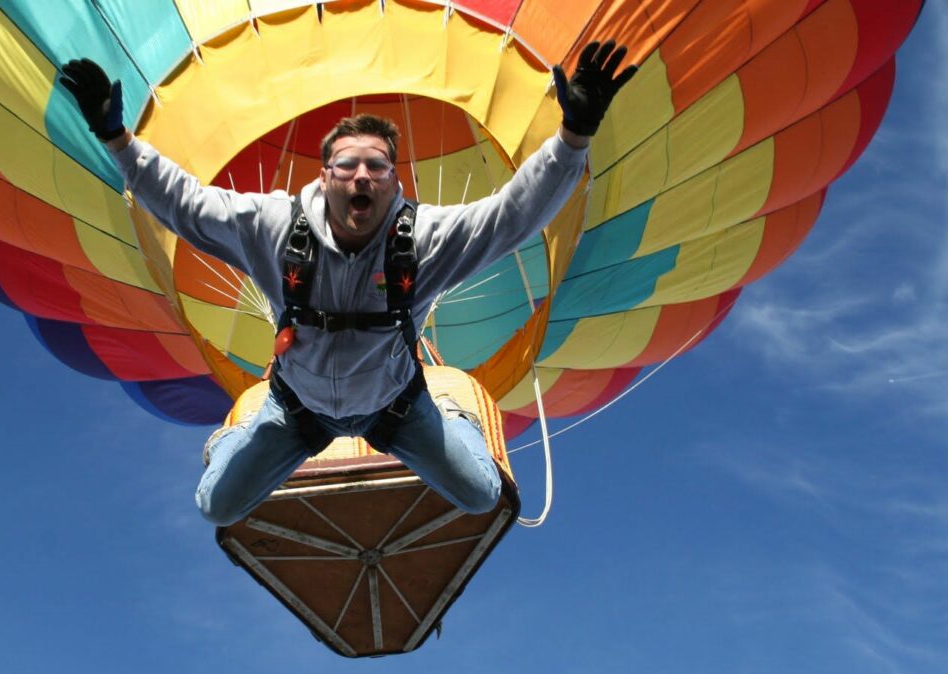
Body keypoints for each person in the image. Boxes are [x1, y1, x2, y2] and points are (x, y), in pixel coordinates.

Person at [61, 41, 637, 526]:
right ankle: (231, 438)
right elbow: (185, 205)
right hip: (297, 410)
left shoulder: (423, 240)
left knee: (483, 495)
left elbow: (513, 216)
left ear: (394, 181)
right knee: (217, 506)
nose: (362, 176)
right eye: (347, 165)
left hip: (397, 408)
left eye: (377, 167)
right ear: (325, 176)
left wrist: (573, 139)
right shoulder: (274, 228)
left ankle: (454, 415)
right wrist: (118, 141)